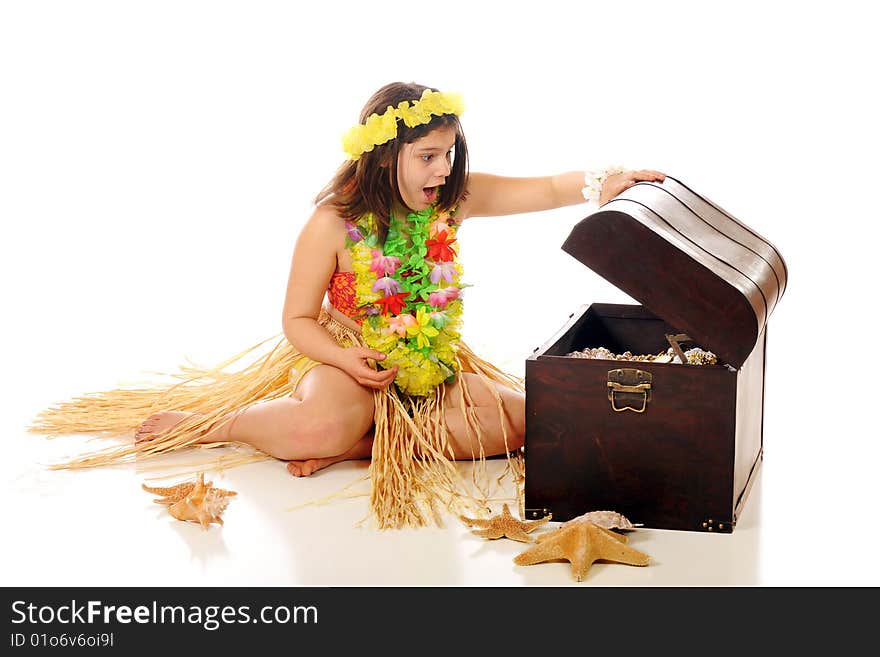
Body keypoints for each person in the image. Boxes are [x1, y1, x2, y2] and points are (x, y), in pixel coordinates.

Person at [30, 81, 665, 529]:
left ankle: (362, 447)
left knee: (523, 424)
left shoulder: (452, 201)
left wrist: (600, 183)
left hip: (426, 360)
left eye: (448, 153)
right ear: (385, 155)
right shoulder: (333, 223)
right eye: (426, 156)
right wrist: (346, 357)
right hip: (343, 358)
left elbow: (546, 187)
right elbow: (297, 321)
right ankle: (228, 426)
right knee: (319, 425)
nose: (442, 169)